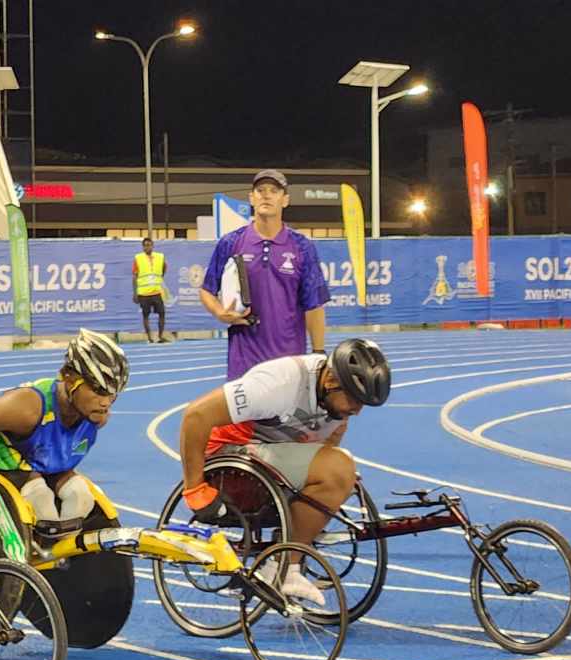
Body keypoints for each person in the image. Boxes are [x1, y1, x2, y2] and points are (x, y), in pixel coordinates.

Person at [176, 339, 391, 604]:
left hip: (268, 454)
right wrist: (194, 487)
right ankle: (283, 568)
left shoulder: (336, 404)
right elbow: (196, 415)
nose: (357, 410)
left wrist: (325, 489)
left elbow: (325, 446)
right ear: (331, 381)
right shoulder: (278, 384)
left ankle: (283, 555)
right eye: (355, 400)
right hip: (228, 458)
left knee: (337, 471)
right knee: (339, 469)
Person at [0, 330, 129, 536]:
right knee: (41, 500)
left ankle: (62, 560)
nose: (105, 402)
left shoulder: (97, 415)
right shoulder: (26, 407)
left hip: (41, 468)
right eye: (97, 390)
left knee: (80, 495)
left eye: (112, 393)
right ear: (69, 377)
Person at [199, 170, 329, 380]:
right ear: (252, 198)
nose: (266, 195)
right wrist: (219, 312)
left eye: (274, 191)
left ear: (285, 200)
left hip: (289, 362)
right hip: (243, 363)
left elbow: (314, 305)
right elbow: (207, 290)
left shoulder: (302, 247)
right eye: (260, 190)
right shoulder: (231, 242)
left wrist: (319, 353)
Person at [130, 237, 171, 343]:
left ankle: (160, 336)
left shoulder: (160, 257)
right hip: (144, 293)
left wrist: (160, 276)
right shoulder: (138, 258)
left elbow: (165, 267)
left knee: (162, 313)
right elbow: (134, 276)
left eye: (149, 245)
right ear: (143, 247)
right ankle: (149, 337)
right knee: (146, 315)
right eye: (145, 245)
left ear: (153, 246)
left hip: (156, 291)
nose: (148, 247)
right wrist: (135, 293)